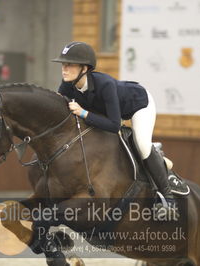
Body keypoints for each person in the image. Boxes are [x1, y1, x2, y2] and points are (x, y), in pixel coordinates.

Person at [52, 41, 176, 217]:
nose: (64, 69)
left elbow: (114, 125)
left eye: (69, 65)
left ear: (85, 69)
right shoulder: (67, 85)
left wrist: (84, 113)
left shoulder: (105, 84)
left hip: (138, 104)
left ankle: (168, 199)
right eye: (63, 65)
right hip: (109, 112)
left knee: (141, 144)